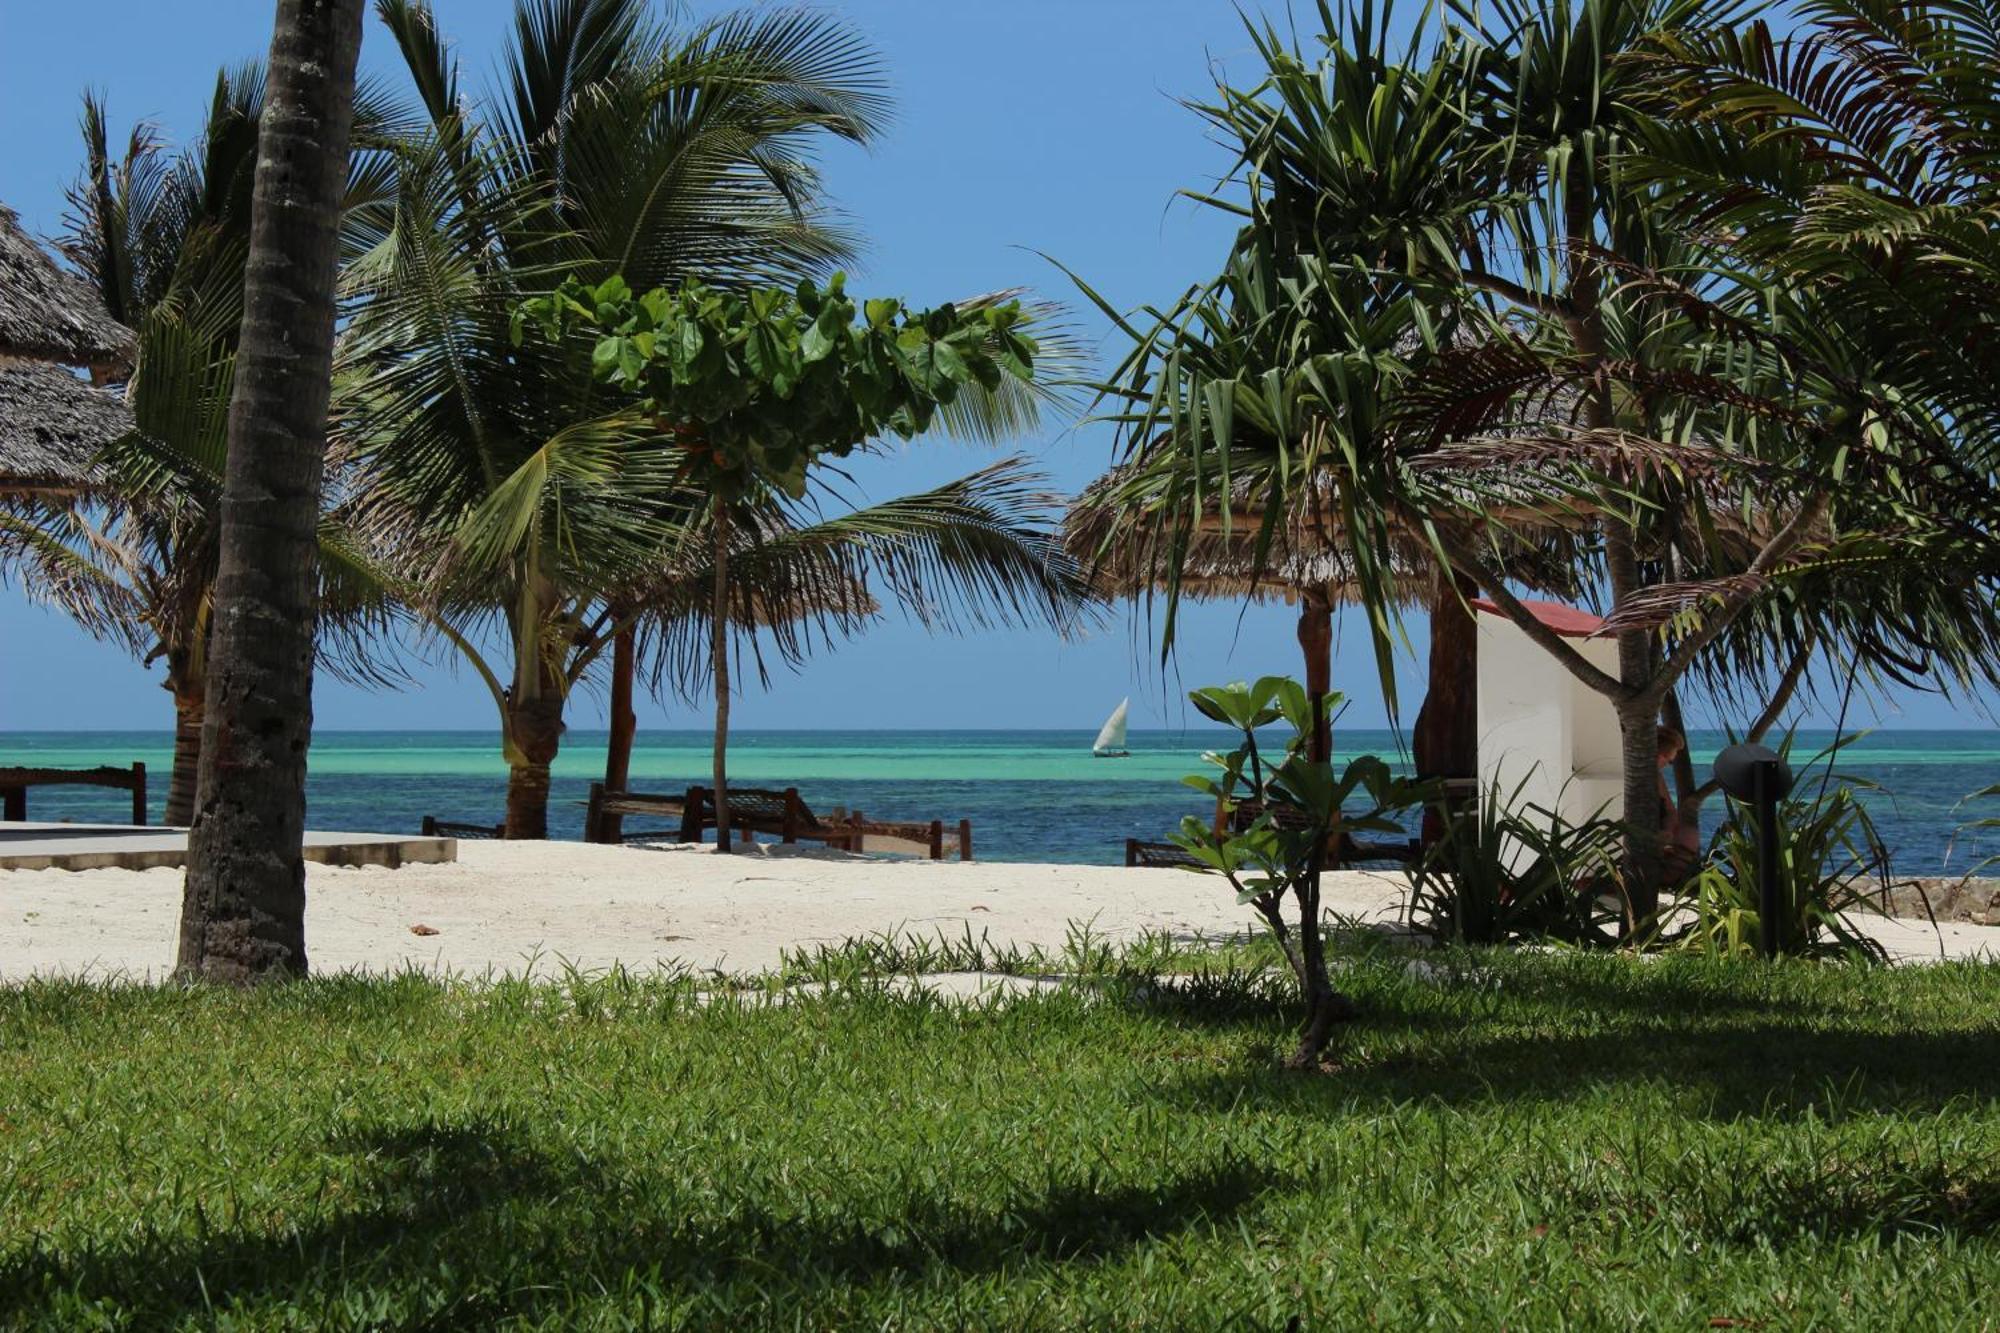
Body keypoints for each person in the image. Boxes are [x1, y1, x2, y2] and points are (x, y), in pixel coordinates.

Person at [1655, 726, 1702, 876]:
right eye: (1669, 761)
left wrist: (1667, 831)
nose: (1667, 765)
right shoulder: (1641, 776)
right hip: (1645, 840)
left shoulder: (1657, 777)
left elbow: (1669, 809)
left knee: (1689, 835)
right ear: (1660, 756)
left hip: (1659, 837)